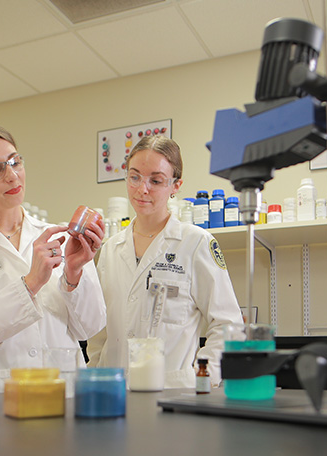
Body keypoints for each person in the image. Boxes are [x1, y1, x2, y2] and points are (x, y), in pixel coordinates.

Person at [0, 122, 107, 391]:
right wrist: (31, 284)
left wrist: (73, 273)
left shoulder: (59, 237)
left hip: (64, 388)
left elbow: (89, 328)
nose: (12, 176)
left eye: (15, 162)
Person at [87, 135, 244, 387]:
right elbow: (99, 333)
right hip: (113, 391)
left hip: (172, 393)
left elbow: (229, 325)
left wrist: (202, 376)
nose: (142, 189)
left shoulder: (195, 243)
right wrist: (95, 376)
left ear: (175, 185)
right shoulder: (110, 249)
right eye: (134, 176)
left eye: (156, 180)